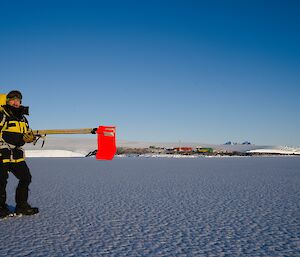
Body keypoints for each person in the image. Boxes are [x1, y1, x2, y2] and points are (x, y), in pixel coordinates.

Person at [0, 90, 39, 218]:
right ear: (7, 101)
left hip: (16, 153)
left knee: (26, 178)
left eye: (18, 99)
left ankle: (21, 206)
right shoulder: (2, 114)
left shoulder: (23, 118)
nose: (16, 102)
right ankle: (1, 208)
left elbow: (26, 134)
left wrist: (30, 138)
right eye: (12, 99)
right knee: (1, 180)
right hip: (2, 152)